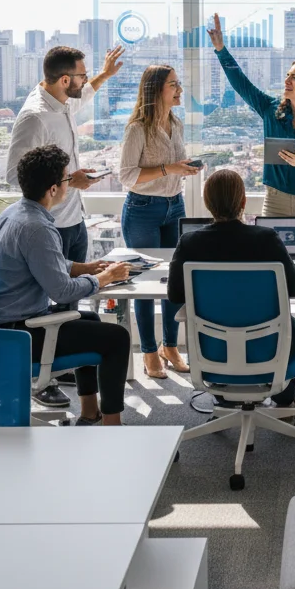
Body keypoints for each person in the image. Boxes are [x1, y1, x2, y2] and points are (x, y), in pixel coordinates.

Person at [206, 13, 295, 366]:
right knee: (274, 272)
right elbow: (241, 84)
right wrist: (221, 50)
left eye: (294, 76)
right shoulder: (270, 110)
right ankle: (279, 337)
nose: (287, 79)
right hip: (277, 202)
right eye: (288, 75)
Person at [5, 43, 125, 407]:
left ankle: (75, 376)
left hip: (72, 218)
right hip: (48, 226)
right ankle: (45, 379)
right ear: (62, 79)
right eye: (81, 76)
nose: (84, 83)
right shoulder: (35, 117)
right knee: (58, 301)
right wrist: (70, 181)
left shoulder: (62, 101)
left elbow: (83, 96)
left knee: (74, 307)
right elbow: (16, 175)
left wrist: (103, 75)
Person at [0, 145, 132, 426]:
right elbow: (61, 292)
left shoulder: (15, 213)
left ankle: (89, 413)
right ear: (52, 189)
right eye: (66, 179)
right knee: (117, 338)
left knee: (91, 319)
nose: (68, 184)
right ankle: (113, 427)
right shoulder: (38, 228)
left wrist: (84, 269)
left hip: (3, 325)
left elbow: (43, 263)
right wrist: (103, 279)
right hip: (21, 335)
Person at [166, 168, 295, 408]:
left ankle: (224, 395)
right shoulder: (266, 238)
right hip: (266, 347)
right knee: (291, 325)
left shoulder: (190, 242)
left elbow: (175, 295)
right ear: (243, 201)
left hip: (213, 350)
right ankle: (284, 399)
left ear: (207, 203)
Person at [119, 64, 202, 379]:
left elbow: (172, 166)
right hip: (143, 209)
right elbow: (127, 176)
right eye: (174, 84)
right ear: (156, 90)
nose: (180, 89)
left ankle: (170, 346)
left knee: (173, 281)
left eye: (179, 83)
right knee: (144, 285)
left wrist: (184, 168)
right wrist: (169, 169)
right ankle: (149, 351)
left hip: (174, 206)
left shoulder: (176, 123)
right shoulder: (137, 128)